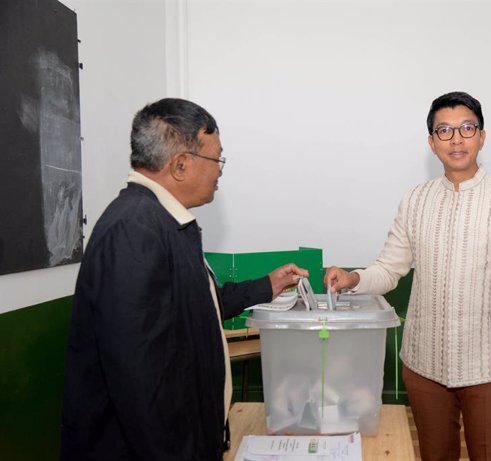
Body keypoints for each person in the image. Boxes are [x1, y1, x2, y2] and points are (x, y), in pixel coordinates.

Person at [60, 98, 308, 460]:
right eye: (217, 159)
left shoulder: (159, 222)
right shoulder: (135, 230)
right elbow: (140, 383)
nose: (220, 170)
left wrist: (266, 286)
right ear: (180, 165)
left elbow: (191, 311)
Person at [324, 91, 491, 461]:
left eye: (466, 128)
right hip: (424, 365)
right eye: (444, 130)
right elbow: (389, 268)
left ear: (482, 136)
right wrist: (353, 279)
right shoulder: (416, 199)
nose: (456, 139)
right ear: (431, 142)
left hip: (490, 367)